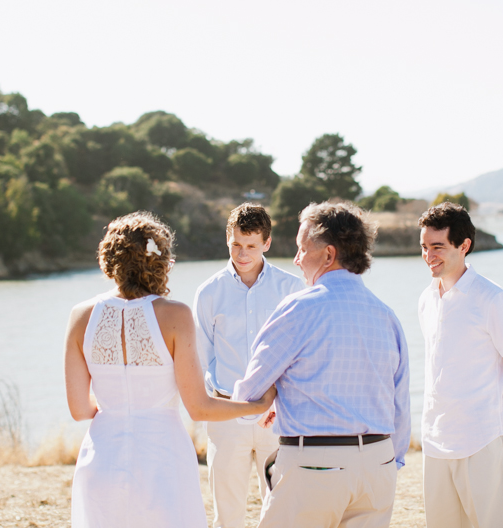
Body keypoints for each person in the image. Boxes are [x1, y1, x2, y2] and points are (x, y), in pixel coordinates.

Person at [64, 212, 276, 528]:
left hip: (102, 455)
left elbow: (80, 410)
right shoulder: (175, 315)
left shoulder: (80, 316)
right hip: (161, 456)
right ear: (161, 261)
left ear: (109, 259)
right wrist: (258, 404)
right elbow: (199, 408)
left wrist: (119, 411)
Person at [232, 201, 410, 528]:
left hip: (315, 467)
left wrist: (273, 398)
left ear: (328, 255)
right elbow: (400, 404)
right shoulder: (387, 316)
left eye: (302, 249)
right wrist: (389, 461)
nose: (297, 259)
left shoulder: (299, 308)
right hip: (379, 465)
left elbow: (248, 398)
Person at [417, 201, 503, 528]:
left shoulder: (493, 299)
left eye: (437, 247)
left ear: (464, 246)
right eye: (424, 247)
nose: (429, 255)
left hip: (483, 439)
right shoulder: (427, 298)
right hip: (436, 439)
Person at [193, 203, 305, 528]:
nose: (243, 254)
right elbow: (200, 358)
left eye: (251, 246)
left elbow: (300, 354)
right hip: (226, 416)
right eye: (236, 244)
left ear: (267, 243)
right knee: (227, 516)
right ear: (228, 238)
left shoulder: (291, 289)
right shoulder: (208, 293)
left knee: (282, 511)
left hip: (277, 417)